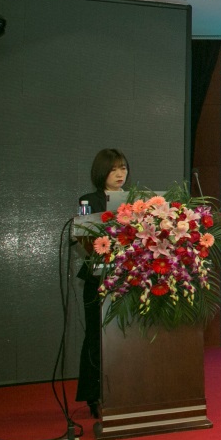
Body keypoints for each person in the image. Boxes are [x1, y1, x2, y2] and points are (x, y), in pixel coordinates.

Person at [77, 148, 129, 417]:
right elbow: (85, 237)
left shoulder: (136, 201)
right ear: (102, 172)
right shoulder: (88, 201)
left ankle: (127, 390)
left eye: (123, 168)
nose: (120, 174)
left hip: (130, 277)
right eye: (113, 169)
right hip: (99, 278)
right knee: (97, 336)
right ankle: (94, 395)